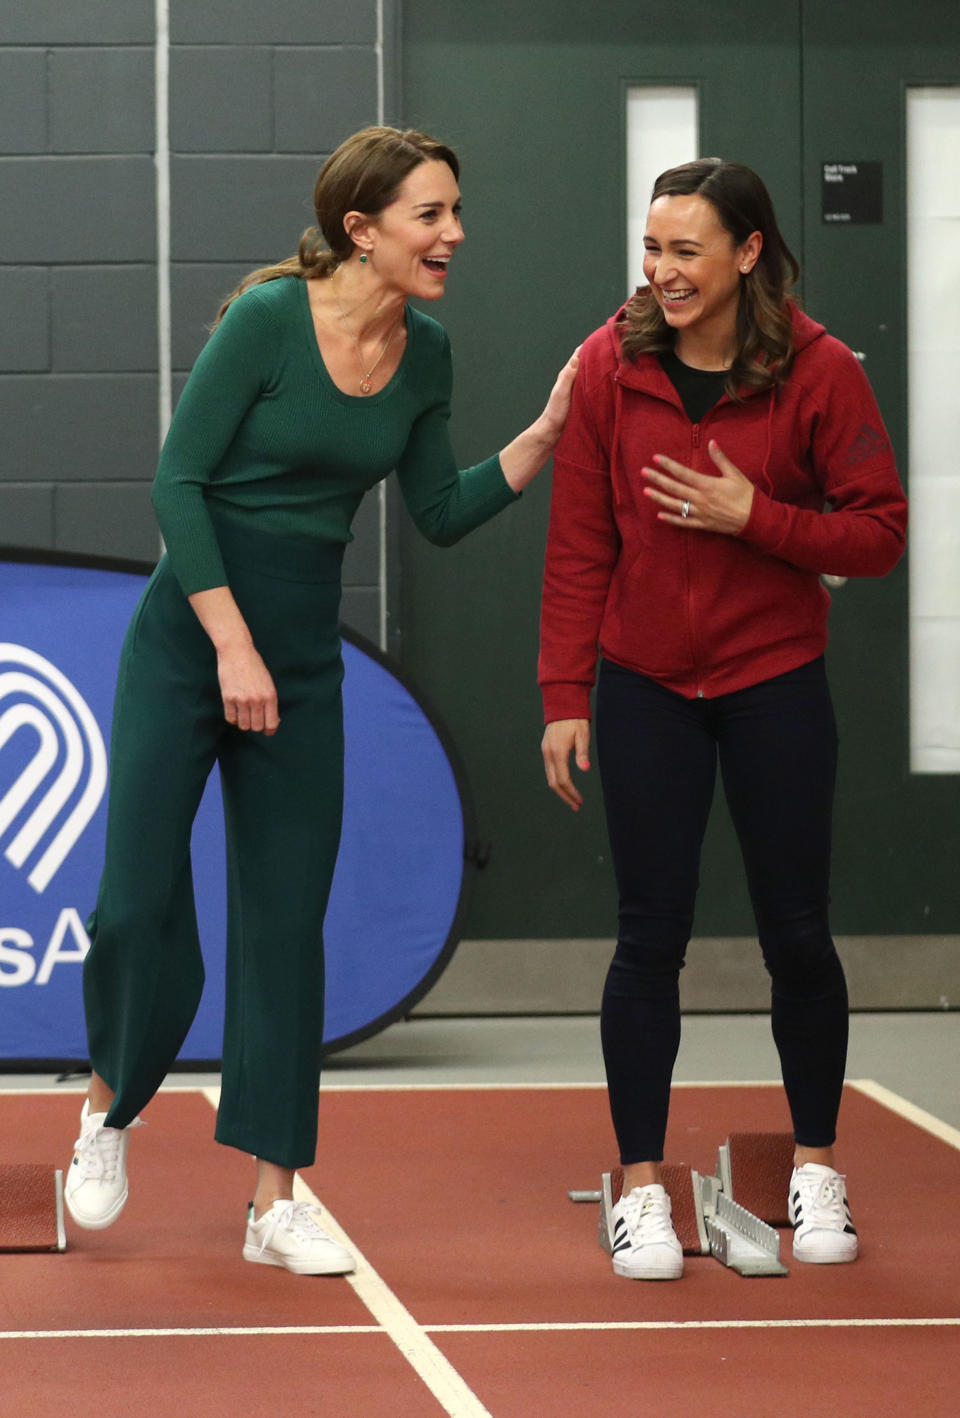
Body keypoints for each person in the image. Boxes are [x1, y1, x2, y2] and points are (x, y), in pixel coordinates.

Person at [65, 125, 578, 1274]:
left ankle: (274, 1196)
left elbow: (438, 508)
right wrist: (231, 645)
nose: (455, 233)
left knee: (286, 927)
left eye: (456, 211)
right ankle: (106, 1107)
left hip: (300, 655)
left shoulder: (428, 351)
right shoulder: (266, 323)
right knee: (134, 905)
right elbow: (177, 482)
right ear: (363, 229)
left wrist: (543, 436)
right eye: (431, 215)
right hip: (191, 641)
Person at [539, 158, 906, 1281]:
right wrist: (564, 695)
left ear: (749, 252)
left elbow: (880, 532)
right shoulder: (612, 362)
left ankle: (816, 1164)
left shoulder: (822, 368)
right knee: (649, 937)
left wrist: (761, 517)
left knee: (799, 933)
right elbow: (580, 542)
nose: (663, 272)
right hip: (646, 686)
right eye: (653, 249)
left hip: (774, 683)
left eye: (686, 250)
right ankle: (640, 1187)